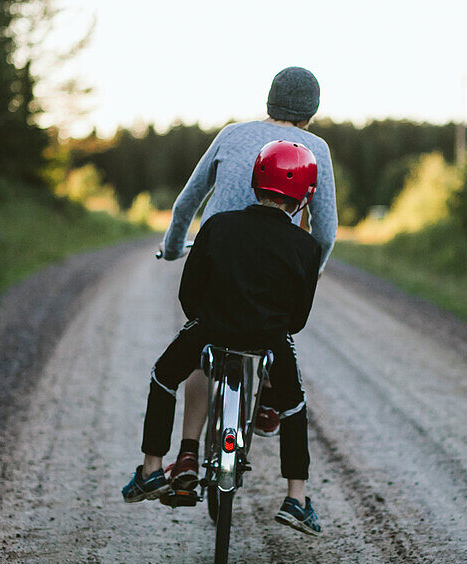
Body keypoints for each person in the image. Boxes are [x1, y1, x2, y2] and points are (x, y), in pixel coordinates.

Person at [123, 140, 324, 535]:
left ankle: (150, 470)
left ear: (256, 180)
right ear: (305, 193)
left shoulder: (219, 225)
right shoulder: (306, 246)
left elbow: (188, 295)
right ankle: (296, 498)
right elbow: (297, 319)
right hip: (270, 340)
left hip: (212, 329)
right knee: (294, 406)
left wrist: (205, 320)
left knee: (164, 376)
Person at [157, 66, 337, 496]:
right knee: (276, 324)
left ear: (270, 100)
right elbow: (325, 231)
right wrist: (309, 269)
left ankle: (186, 453)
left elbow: (187, 202)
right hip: (274, 276)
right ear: (311, 110)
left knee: (205, 344)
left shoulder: (231, 135)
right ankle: (270, 400)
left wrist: (172, 246)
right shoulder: (316, 148)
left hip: (219, 266)